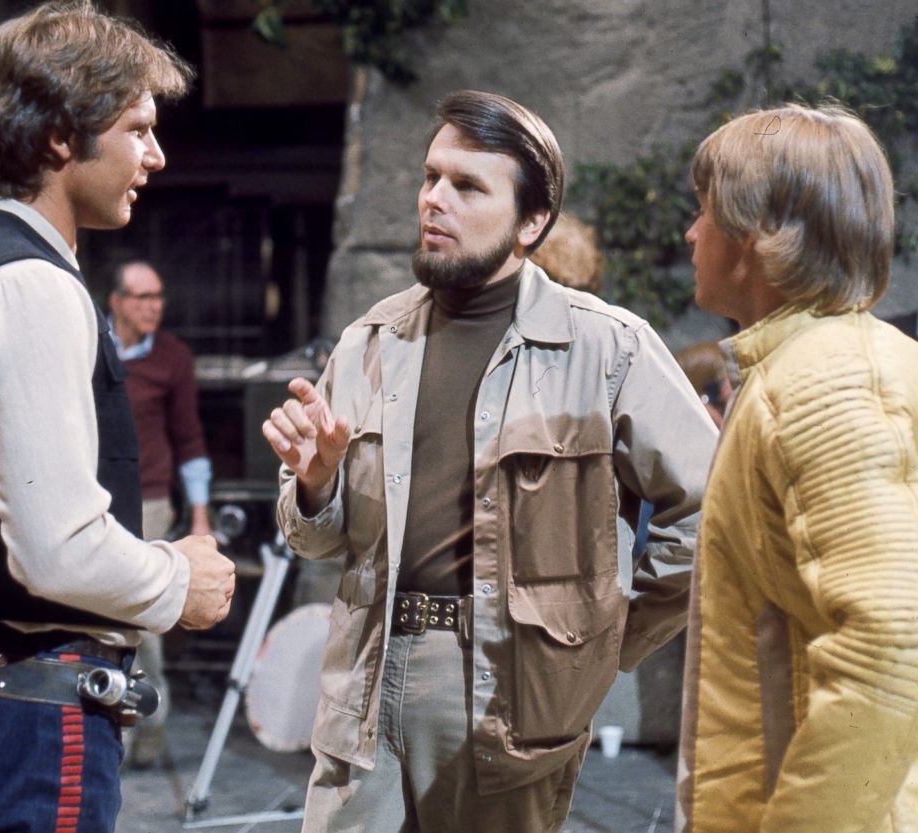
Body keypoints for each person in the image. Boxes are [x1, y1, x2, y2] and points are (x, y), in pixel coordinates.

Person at [263, 89, 718, 833]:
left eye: (467, 185)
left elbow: (707, 511)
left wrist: (599, 644)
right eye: (430, 176)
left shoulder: (605, 346)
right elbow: (314, 539)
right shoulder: (371, 342)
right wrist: (315, 485)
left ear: (531, 222)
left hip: (504, 686)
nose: (433, 199)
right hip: (367, 675)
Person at [0, 3, 236, 830]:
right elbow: (56, 549)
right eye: (137, 128)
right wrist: (181, 580)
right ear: (62, 136)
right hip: (22, 719)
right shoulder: (31, 286)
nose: (156, 155)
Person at [675, 103, 918, 833]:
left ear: (753, 237)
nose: (691, 234)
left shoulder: (826, 381)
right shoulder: (825, 366)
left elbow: (891, 646)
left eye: (704, 212)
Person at [108, 260, 213, 767]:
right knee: (97, 613)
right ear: (117, 302)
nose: (154, 306)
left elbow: (189, 439)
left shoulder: (172, 357)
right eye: (143, 297)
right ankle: (109, 729)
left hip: (148, 499)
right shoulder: (93, 346)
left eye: (158, 296)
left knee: (142, 616)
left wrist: (199, 516)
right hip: (95, 498)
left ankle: (148, 729)